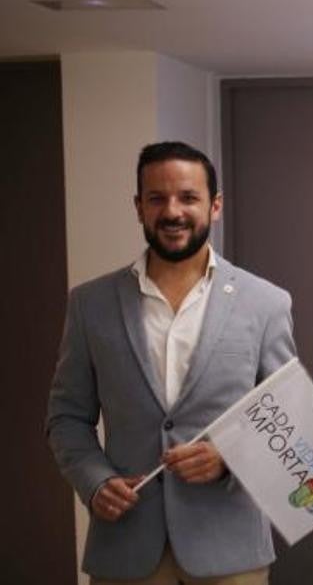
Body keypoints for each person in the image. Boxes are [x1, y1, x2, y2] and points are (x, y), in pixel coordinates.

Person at [46, 141, 295, 584]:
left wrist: (228, 458)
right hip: (126, 544)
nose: (172, 211)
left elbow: (285, 417)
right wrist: (94, 480)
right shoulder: (90, 304)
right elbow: (66, 417)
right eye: (157, 199)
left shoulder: (266, 304)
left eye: (188, 197)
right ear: (138, 207)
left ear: (215, 206)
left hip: (230, 547)